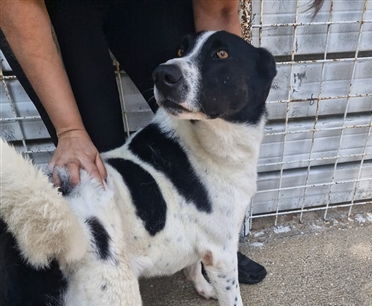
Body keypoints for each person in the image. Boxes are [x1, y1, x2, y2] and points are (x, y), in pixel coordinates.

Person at [0, 0, 267, 284]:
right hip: (60, 7)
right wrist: (70, 130)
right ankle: (114, 269)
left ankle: (217, 241)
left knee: (196, 119)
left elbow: (220, 11)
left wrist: (231, 95)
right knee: (100, 171)